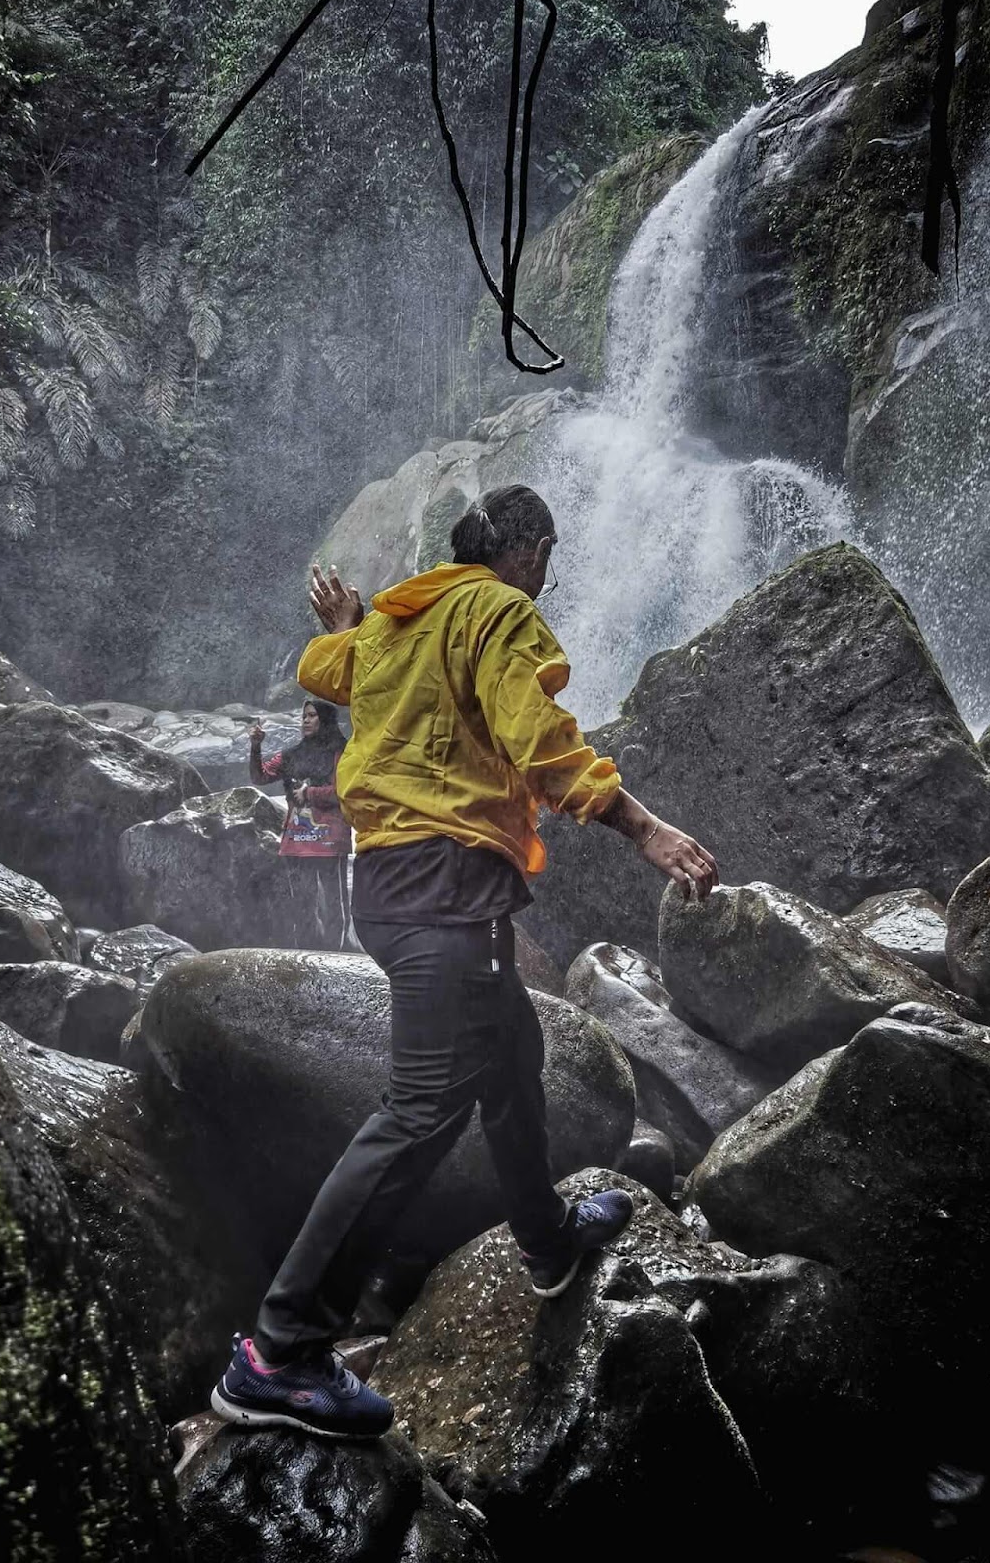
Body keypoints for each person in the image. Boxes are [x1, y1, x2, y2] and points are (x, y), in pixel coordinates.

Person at [212, 483, 719, 1440]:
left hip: (395, 887)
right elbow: (539, 742)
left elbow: (328, 669)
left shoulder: (403, 620)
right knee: (423, 1106)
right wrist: (643, 828)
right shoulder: (497, 609)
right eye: (549, 551)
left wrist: (350, 620)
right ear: (522, 549)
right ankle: (279, 1352)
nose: (551, 572)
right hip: (446, 888)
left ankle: (547, 1242)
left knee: (511, 1056)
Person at [249, 699, 352, 948]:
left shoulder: (342, 753)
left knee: (333, 903)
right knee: (303, 902)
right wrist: (255, 747)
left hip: (329, 840)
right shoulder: (292, 754)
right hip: (298, 840)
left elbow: (344, 790)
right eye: (304, 716)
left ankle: (335, 956)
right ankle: (306, 954)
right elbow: (259, 776)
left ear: (325, 720)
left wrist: (310, 793)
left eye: (312, 715)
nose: (305, 720)